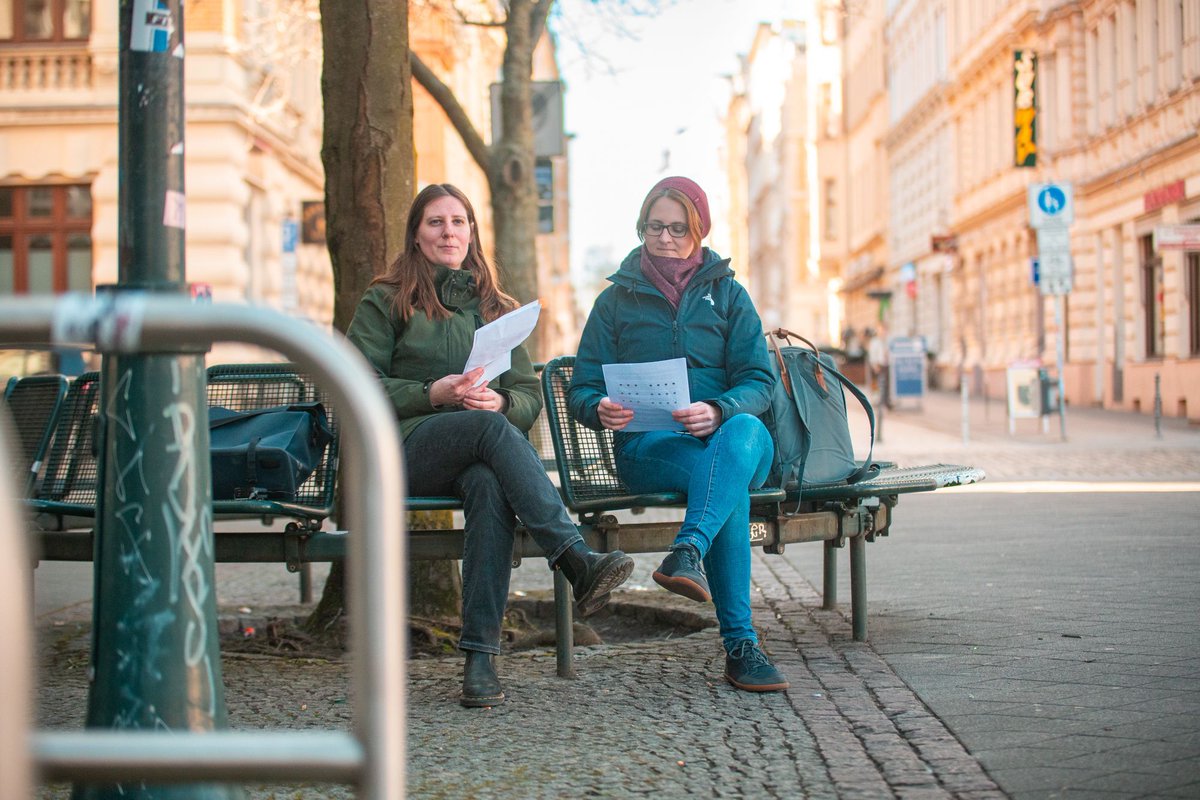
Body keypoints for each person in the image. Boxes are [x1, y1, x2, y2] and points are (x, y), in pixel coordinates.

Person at [347, 183, 634, 708]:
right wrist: (432, 393)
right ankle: (573, 557)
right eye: (436, 222)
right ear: (415, 234)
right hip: (401, 450)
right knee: (485, 435)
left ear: (473, 232)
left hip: (476, 448)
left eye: (459, 221)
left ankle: (480, 659)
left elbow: (526, 396)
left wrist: (500, 405)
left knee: (488, 484)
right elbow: (356, 383)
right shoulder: (386, 299)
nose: (448, 231)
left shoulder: (495, 306)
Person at [567, 176, 788, 693]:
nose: (664, 238)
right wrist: (599, 408)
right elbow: (582, 386)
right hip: (651, 447)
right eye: (654, 227)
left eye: (677, 228)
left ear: (700, 230)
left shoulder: (729, 295)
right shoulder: (615, 302)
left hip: (731, 439)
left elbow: (760, 381)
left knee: (743, 433)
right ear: (641, 228)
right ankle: (741, 647)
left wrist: (718, 407)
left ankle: (688, 548)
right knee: (723, 491)